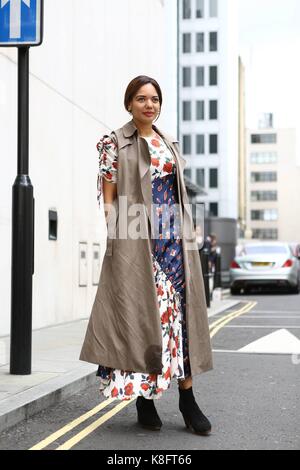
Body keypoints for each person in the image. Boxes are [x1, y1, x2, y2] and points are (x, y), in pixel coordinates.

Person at [79, 76, 213, 435]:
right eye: (141, 98)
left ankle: (188, 398)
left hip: (174, 238)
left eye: (154, 99)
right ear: (129, 104)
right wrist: (115, 232)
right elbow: (107, 194)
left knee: (178, 316)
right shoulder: (114, 143)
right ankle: (145, 399)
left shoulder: (168, 141)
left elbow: (176, 191)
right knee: (144, 316)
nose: (149, 104)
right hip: (137, 239)